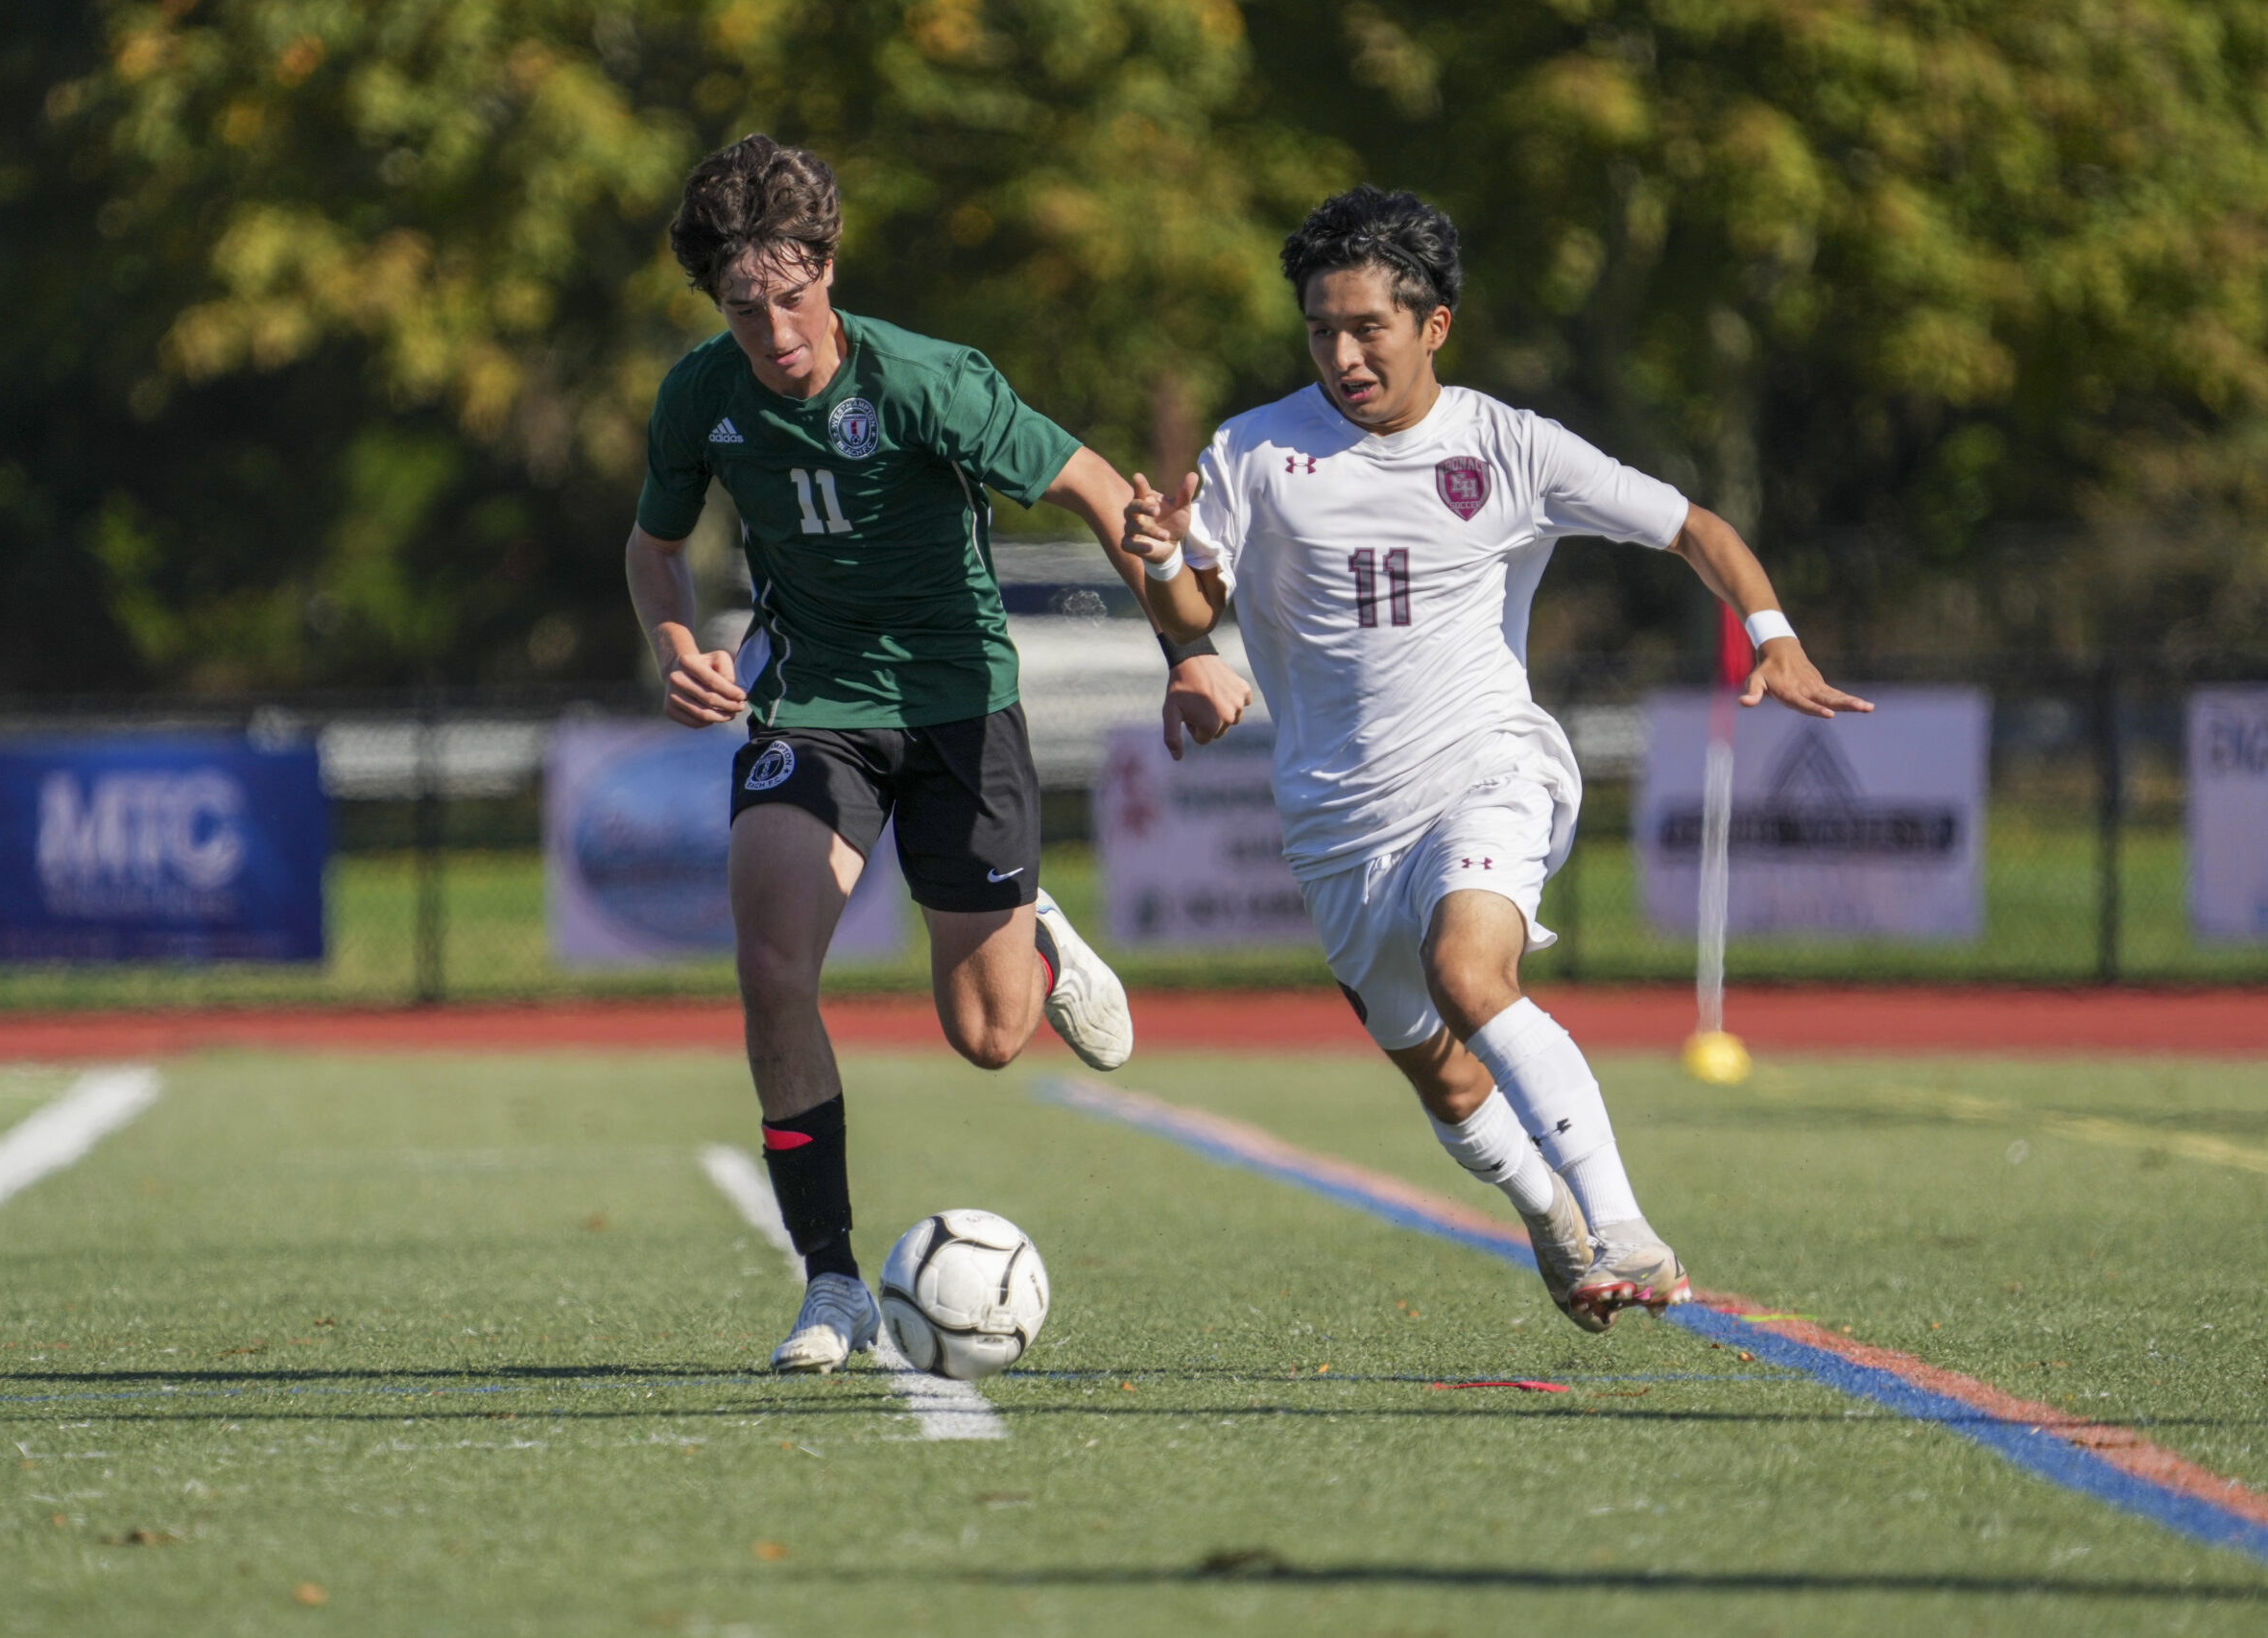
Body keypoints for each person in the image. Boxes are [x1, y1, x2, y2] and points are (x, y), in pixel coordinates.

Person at [1123, 185, 1870, 1329]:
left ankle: (1625, 1227)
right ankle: (1546, 1215)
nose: (1341, 353)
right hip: (1334, 819)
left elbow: (1695, 529)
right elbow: (1196, 597)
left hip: (1488, 765)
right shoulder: (1257, 450)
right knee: (1446, 1074)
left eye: (1366, 326)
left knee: (1470, 976)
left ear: (1434, 325)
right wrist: (1162, 563)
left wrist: (1774, 638)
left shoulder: (1510, 446)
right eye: (1321, 328)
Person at [628, 135, 1254, 1372]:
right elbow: (655, 544)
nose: (775, 335)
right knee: (770, 960)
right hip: (815, 706)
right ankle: (830, 1284)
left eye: (793, 301)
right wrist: (674, 640)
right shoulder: (701, 394)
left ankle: (1030, 925)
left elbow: (1088, 486)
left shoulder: (926, 382)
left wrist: (1186, 645)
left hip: (963, 702)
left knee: (989, 1034)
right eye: (745, 311)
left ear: (827, 272)